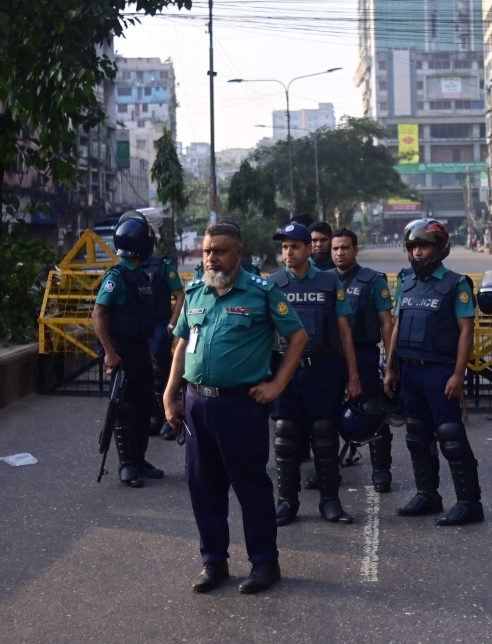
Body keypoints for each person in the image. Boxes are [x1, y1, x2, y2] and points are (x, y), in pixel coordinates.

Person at [163, 223, 306, 594]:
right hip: (197, 404)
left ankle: (264, 563)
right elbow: (181, 346)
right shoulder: (195, 292)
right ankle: (214, 562)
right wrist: (170, 394)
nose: (211, 257)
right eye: (208, 251)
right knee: (203, 485)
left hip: (240, 405)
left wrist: (277, 384)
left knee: (249, 485)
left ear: (238, 254)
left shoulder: (261, 293)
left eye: (220, 251)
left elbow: (298, 337)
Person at [383, 219, 483, 525]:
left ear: (439, 248)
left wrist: (458, 373)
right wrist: (390, 367)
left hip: (440, 372)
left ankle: (469, 503)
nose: (416, 253)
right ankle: (427, 494)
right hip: (410, 372)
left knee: (450, 437)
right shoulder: (406, 281)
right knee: (416, 435)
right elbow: (397, 325)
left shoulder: (456, 284)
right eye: (412, 247)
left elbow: (466, 331)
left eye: (423, 246)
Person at [269, 222, 363, 526]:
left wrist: (353, 376)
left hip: (322, 371)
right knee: (285, 438)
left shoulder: (329, 282)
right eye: (284, 247)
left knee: (324, 437)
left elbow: (344, 332)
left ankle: (330, 502)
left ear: (309, 249)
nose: (288, 252)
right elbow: (262, 334)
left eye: (294, 246)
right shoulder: (272, 284)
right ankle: (286, 502)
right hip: (285, 372)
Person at [92, 214, 164, 488]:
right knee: (125, 407)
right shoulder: (117, 276)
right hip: (122, 350)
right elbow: (98, 315)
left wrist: (148, 352)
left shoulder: (140, 275)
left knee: (145, 406)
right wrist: (110, 352)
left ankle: (140, 460)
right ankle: (126, 465)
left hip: (140, 349)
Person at [330, 228, 397, 491]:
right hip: (331, 357)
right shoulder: (323, 280)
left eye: (345, 247)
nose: (339, 253)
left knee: (372, 411)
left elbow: (386, 323)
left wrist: (390, 362)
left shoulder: (372, 280)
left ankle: (381, 470)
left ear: (355, 250)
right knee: (328, 414)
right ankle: (329, 468)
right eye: (335, 248)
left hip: (364, 354)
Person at [145, 248, 185, 440]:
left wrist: (171, 324)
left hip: (158, 325)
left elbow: (180, 294)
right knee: (143, 375)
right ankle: (153, 417)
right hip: (139, 326)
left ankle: (166, 418)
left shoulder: (162, 265)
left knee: (159, 374)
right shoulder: (129, 264)